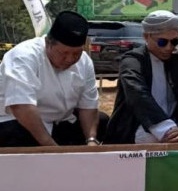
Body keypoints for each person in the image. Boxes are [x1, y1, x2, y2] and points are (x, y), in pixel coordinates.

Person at [0, 11, 107, 147]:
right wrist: (52, 148)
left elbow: (88, 106)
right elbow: (22, 107)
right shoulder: (23, 56)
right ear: (47, 43)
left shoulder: (84, 62)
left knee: (102, 122)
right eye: (63, 53)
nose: (70, 59)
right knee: (19, 135)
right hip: (18, 121)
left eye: (76, 53)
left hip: (60, 120)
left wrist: (91, 140)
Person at [104, 11, 178, 144]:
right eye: (162, 42)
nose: (169, 47)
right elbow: (137, 93)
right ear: (146, 37)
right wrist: (164, 127)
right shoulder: (133, 60)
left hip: (173, 130)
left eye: (174, 42)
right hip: (135, 131)